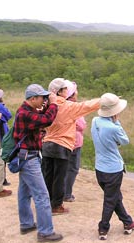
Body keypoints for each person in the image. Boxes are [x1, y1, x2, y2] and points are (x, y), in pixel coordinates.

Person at [41, 78, 100, 215]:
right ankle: (56, 206)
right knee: (59, 177)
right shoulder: (68, 106)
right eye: (65, 89)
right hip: (62, 145)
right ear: (60, 92)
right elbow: (87, 105)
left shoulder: (46, 106)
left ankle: (47, 203)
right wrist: (104, 100)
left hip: (47, 144)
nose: (68, 91)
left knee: (48, 176)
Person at [13, 84, 63, 242]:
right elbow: (47, 119)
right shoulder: (25, 113)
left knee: (24, 192)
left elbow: (41, 115)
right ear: (32, 98)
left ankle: (26, 223)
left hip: (25, 156)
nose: (44, 100)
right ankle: (45, 232)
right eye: (42, 97)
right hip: (29, 159)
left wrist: (48, 104)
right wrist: (54, 103)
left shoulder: (27, 110)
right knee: (42, 195)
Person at [91, 93, 134, 240]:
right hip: (113, 170)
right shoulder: (113, 128)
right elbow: (125, 141)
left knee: (115, 196)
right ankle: (103, 228)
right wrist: (117, 122)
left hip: (99, 168)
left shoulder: (95, 121)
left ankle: (128, 222)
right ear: (114, 111)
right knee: (111, 199)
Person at [63, 81, 87, 202]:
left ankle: (61, 192)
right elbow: (81, 125)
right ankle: (66, 194)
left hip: (62, 141)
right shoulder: (73, 107)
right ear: (71, 94)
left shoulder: (59, 104)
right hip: (73, 143)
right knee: (72, 168)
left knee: (62, 168)